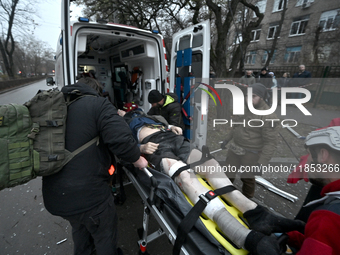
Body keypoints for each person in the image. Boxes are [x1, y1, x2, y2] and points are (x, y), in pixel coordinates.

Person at [117, 108, 304, 255]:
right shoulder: (123, 123)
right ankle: (242, 236)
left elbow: (168, 123)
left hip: (173, 137)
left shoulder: (152, 116)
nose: (126, 111)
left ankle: (256, 213)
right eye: (124, 111)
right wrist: (140, 146)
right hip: (154, 146)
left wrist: (171, 127)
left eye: (128, 110)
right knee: (184, 175)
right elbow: (121, 144)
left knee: (210, 163)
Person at [42, 77, 148, 255]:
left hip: (55, 196)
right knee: (104, 236)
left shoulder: (57, 106)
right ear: (96, 91)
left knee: (80, 228)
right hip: (90, 197)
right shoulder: (98, 104)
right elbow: (121, 141)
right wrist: (138, 159)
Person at [287, 126, 340, 254]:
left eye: (309, 155)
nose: (306, 162)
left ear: (323, 155)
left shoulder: (328, 218)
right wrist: (290, 235)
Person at [221, 83, 280, 198]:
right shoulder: (244, 108)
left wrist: (261, 164)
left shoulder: (269, 116)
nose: (249, 99)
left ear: (261, 98)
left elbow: (271, 143)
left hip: (251, 153)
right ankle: (224, 196)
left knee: (247, 178)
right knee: (227, 174)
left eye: (253, 96)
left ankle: (247, 201)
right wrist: (226, 140)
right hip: (235, 148)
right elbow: (236, 126)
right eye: (247, 96)